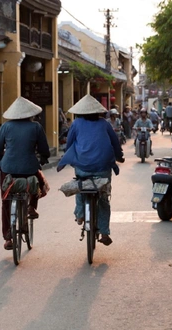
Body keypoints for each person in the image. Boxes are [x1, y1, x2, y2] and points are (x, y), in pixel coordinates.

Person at [57, 94, 124, 246]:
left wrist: (69, 158)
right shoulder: (105, 124)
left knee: (80, 186)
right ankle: (105, 232)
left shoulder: (76, 123)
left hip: (82, 168)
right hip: (103, 168)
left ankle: (80, 214)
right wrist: (120, 157)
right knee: (103, 199)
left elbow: (69, 145)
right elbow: (115, 143)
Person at [0, 96, 50, 250]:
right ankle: (32, 206)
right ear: (30, 114)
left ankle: (8, 238)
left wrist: (0, 160)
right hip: (29, 168)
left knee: (6, 201)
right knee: (37, 182)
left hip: (8, 169)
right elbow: (44, 148)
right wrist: (43, 158)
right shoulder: (36, 127)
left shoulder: (6, 126)